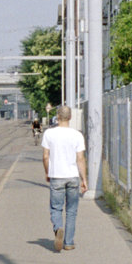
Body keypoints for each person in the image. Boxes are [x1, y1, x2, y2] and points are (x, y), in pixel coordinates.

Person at [41, 105, 87, 252]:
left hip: (57, 176)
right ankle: (68, 242)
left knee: (56, 207)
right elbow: (80, 159)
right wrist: (84, 179)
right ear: (70, 117)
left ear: (57, 117)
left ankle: (58, 228)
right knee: (72, 210)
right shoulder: (77, 135)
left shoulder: (49, 134)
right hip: (73, 177)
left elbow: (45, 156)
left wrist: (48, 172)